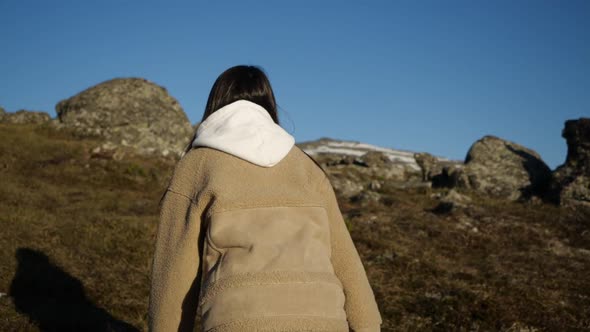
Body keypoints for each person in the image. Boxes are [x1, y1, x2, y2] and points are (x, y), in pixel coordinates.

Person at [148, 65, 382, 332]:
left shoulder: (198, 164)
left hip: (239, 320)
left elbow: (173, 272)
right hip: (324, 319)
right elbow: (345, 259)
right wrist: (368, 325)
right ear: (269, 104)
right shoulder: (305, 166)